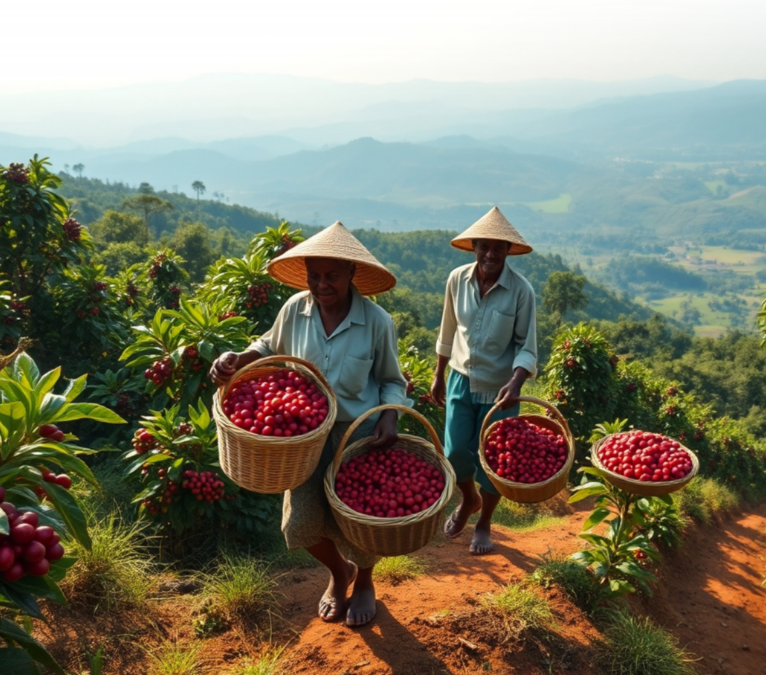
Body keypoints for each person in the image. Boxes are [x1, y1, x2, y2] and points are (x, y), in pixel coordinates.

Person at [210, 221, 409, 628]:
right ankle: (339, 571)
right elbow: (268, 345)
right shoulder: (294, 310)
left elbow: (392, 380)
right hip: (303, 435)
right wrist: (238, 358)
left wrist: (390, 415)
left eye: (331, 275)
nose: (321, 285)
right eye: (314, 276)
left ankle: (364, 580)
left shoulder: (377, 322)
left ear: (351, 273)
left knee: (358, 519)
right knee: (299, 523)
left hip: (356, 432)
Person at [431, 206, 538, 555]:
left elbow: (526, 346)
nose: (491, 254)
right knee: (454, 452)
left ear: (508, 251)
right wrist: (438, 375)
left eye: (498, 248)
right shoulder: (456, 280)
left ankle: (484, 522)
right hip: (460, 379)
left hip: (501, 389)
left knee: (495, 461)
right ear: (474, 247)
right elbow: (448, 330)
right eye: (485, 247)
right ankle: (469, 499)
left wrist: (517, 382)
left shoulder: (521, 291)